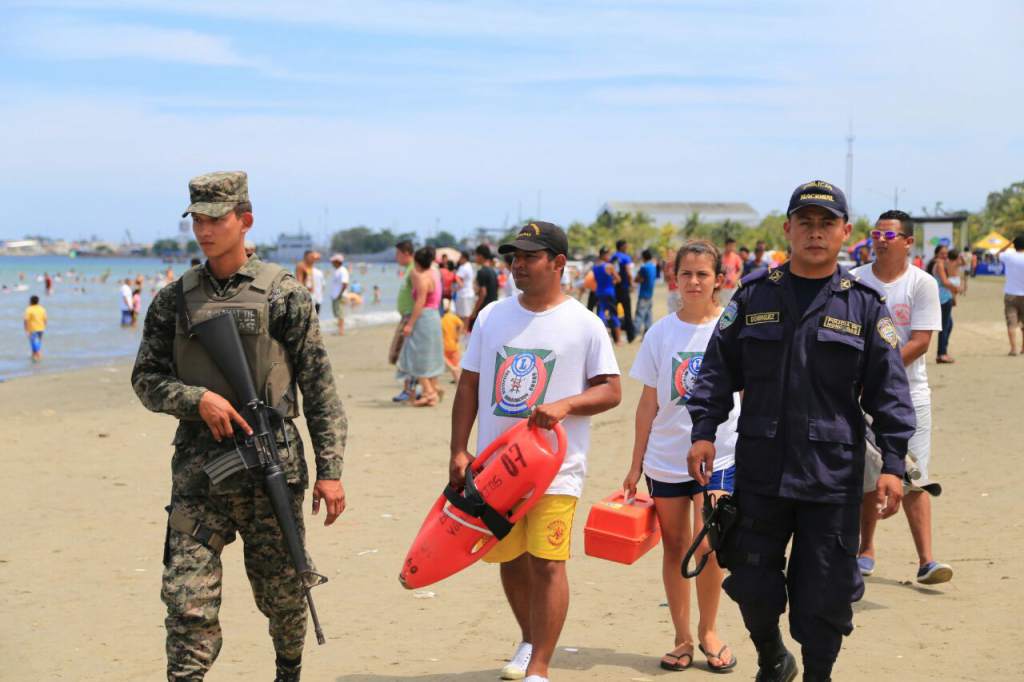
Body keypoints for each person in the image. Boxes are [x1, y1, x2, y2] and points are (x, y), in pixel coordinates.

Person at [686, 181, 915, 682]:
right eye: (805, 222)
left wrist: (894, 465)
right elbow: (717, 369)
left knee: (825, 593)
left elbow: (890, 394)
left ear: (845, 232)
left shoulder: (865, 307)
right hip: (762, 472)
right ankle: (771, 655)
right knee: (751, 580)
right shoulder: (753, 295)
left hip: (830, 479)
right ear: (787, 228)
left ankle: (818, 675)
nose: (815, 233)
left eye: (826, 223)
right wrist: (704, 429)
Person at [131, 171, 347, 681]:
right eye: (197, 219)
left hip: (271, 468)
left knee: (283, 594)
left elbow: (318, 387)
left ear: (244, 221)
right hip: (199, 475)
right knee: (186, 601)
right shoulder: (174, 300)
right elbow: (145, 378)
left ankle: (287, 672)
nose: (204, 229)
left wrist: (331, 470)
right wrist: (196, 398)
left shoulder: (283, 295)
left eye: (216, 218)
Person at [450, 221, 621, 682]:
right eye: (514, 257)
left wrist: (567, 404)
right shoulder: (491, 317)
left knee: (547, 561)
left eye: (529, 257)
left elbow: (611, 391)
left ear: (558, 263)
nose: (517, 265)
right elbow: (470, 384)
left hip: (555, 468)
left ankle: (540, 668)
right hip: (496, 468)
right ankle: (530, 640)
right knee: (509, 558)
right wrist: (459, 450)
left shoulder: (585, 324)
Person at [623, 241, 738, 673]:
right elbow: (648, 404)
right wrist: (635, 465)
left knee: (707, 545)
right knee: (674, 546)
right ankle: (682, 636)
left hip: (721, 457)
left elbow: (748, 395)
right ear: (675, 279)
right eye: (686, 274)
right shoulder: (660, 333)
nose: (694, 282)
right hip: (666, 459)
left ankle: (709, 630)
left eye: (703, 274)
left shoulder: (730, 331)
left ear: (718, 281)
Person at [852, 210, 952, 585]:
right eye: (876, 233)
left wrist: (878, 374)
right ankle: (866, 550)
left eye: (889, 235)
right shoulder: (855, 280)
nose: (880, 239)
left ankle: (927, 560)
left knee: (914, 476)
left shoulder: (921, 284)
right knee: (866, 474)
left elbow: (922, 342)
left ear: (908, 242)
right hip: (859, 396)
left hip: (910, 395)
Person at [397, 246, 446, 407]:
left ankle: (430, 393)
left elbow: (420, 301)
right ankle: (432, 388)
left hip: (423, 317)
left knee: (415, 356)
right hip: (434, 316)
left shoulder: (419, 276)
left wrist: (410, 324)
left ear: (416, 261)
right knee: (430, 355)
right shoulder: (435, 273)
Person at [389, 240, 418, 402]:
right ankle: (411, 389)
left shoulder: (414, 269)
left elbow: (420, 297)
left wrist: (412, 322)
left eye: (398, 253)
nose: (396, 257)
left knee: (406, 355)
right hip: (407, 316)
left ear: (406, 253)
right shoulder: (409, 269)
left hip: (410, 317)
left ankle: (410, 390)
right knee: (403, 354)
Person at [927, 245, 958, 363]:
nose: (945, 255)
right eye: (942, 253)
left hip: (940, 297)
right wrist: (956, 288)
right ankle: (942, 354)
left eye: (946, 253)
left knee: (948, 324)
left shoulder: (934, 263)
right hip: (943, 298)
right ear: (937, 253)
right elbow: (945, 282)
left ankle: (943, 351)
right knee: (945, 326)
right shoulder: (939, 264)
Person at [997, 236, 1024, 355]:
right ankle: (1023, 348)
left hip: (1011, 293)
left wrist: (1009, 243)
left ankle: (1013, 349)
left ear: (1014, 245)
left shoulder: (1009, 256)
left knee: (1011, 323)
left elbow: (998, 253)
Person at [592, 246, 622, 344]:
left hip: (599, 292)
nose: (610, 256)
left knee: (601, 314)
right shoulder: (609, 266)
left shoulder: (595, 267)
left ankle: (601, 339)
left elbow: (596, 280)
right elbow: (618, 279)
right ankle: (618, 340)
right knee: (614, 314)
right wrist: (612, 281)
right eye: (608, 254)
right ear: (604, 255)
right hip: (609, 292)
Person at [468, 244, 498, 331]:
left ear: (480, 256)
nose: (475, 258)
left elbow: (483, 293)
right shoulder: (493, 271)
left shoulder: (482, 271)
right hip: (493, 308)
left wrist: (474, 311)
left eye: (476, 255)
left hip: (484, 310)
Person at [613, 239, 637, 342]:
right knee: (627, 312)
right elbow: (628, 271)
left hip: (614, 288)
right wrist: (631, 283)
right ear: (622, 246)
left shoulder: (613, 257)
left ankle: (615, 337)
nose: (627, 247)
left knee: (614, 312)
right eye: (626, 245)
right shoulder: (626, 257)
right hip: (624, 288)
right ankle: (630, 336)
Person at [634, 248, 658, 337]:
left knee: (640, 314)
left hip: (643, 293)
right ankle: (648, 333)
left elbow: (637, 279)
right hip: (650, 293)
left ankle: (634, 333)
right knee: (648, 315)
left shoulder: (644, 267)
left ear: (643, 257)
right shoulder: (653, 266)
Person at [441, 300, 464, 384]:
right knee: (456, 366)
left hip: (444, 346)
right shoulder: (452, 316)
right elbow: (461, 324)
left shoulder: (440, 318)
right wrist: (458, 335)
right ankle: (458, 382)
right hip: (454, 345)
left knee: (452, 367)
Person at [329, 253, 349, 335]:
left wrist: (340, 294)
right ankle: (339, 329)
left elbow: (345, 284)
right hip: (336, 295)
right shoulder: (337, 271)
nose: (332, 263)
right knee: (337, 313)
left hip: (340, 295)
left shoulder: (343, 270)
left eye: (333, 261)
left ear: (337, 261)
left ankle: (341, 330)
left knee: (340, 313)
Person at [454, 251, 476, 324]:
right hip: (469, 293)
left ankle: (462, 332)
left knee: (462, 316)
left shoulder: (463, 267)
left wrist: (454, 289)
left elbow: (459, 282)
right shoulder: (469, 265)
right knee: (467, 315)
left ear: (464, 258)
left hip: (463, 294)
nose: (459, 259)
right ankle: (465, 332)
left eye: (460, 257)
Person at [24, 294, 47, 362]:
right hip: (41, 328)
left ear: (30, 301)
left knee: (34, 342)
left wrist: (26, 329)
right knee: (37, 342)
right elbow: (45, 319)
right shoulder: (42, 308)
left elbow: (26, 320)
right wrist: (44, 326)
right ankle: (34, 356)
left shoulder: (29, 309)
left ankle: (37, 355)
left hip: (33, 329)